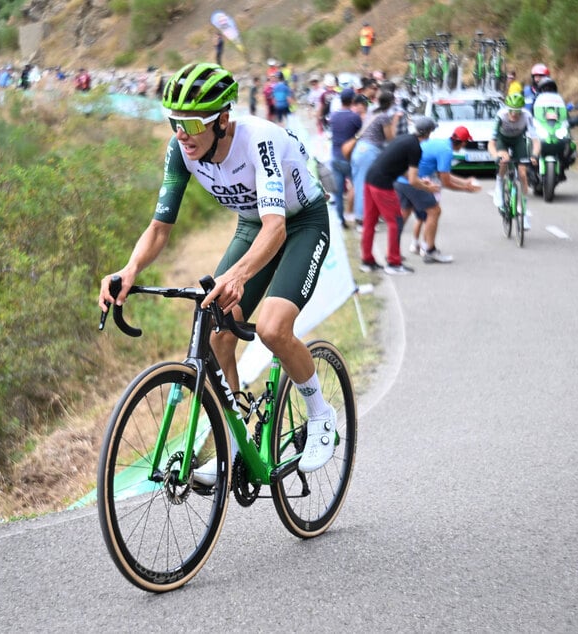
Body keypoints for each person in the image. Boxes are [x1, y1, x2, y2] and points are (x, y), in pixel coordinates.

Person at [97, 63, 337, 482]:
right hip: (253, 224)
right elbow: (159, 228)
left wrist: (239, 275)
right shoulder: (181, 150)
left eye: (190, 122)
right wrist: (131, 268)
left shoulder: (258, 141)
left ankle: (321, 415)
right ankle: (240, 438)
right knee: (216, 332)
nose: (180, 132)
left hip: (300, 223)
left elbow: (277, 227)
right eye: (172, 121)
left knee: (274, 329)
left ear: (223, 120)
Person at [360, 116, 442, 275]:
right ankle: (393, 263)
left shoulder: (404, 139)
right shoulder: (415, 148)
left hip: (370, 179)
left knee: (370, 221)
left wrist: (422, 183)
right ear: (427, 133)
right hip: (382, 184)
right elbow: (412, 180)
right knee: (395, 221)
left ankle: (367, 261)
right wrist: (428, 189)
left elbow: (403, 171)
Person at [402, 125, 482, 263]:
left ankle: (395, 253)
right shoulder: (446, 151)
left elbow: (443, 174)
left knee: (406, 215)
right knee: (434, 211)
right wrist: (465, 189)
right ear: (463, 142)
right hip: (415, 179)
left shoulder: (441, 143)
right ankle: (429, 251)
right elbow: (445, 181)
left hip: (405, 176)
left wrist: (464, 182)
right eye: (466, 143)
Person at [350, 90, 402, 226]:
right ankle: (362, 220)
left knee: (358, 183)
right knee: (364, 185)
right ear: (391, 103)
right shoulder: (384, 117)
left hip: (359, 148)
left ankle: (362, 215)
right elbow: (390, 138)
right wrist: (395, 122)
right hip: (369, 151)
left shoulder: (372, 111)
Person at [489, 92, 540, 229]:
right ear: (507, 109)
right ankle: (499, 184)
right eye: (511, 111)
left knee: (523, 174)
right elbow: (491, 142)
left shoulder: (527, 116)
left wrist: (534, 155)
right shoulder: (500, 116)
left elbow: (535, 140)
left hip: (518, 140)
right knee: (504, 159)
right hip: (502, 140)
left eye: (517, 112)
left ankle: (522, 212)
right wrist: (495, 156)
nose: (514, 115)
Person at [327, 88, 365, 228]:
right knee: (357, 186)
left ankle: (340, 218)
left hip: (335, 157)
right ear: (352, 100)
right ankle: (357, 217)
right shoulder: (354, 117)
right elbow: (362, 132)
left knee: (338, 191)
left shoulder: (334, 115)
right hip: (350, 158)